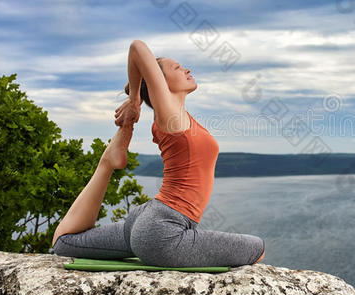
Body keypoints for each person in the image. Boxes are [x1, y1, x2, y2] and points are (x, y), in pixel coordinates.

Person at [49, 39, 265, 267]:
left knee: (64, 243)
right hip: (164, 229)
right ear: (159, 82)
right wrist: (134, 100)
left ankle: (107, 161)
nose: (186, 69)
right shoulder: (170, 113)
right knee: (256, 249)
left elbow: (61, 245)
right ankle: (108, 160)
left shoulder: (178, 116)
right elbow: (137, 48)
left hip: (147, 219)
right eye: (177, 68)